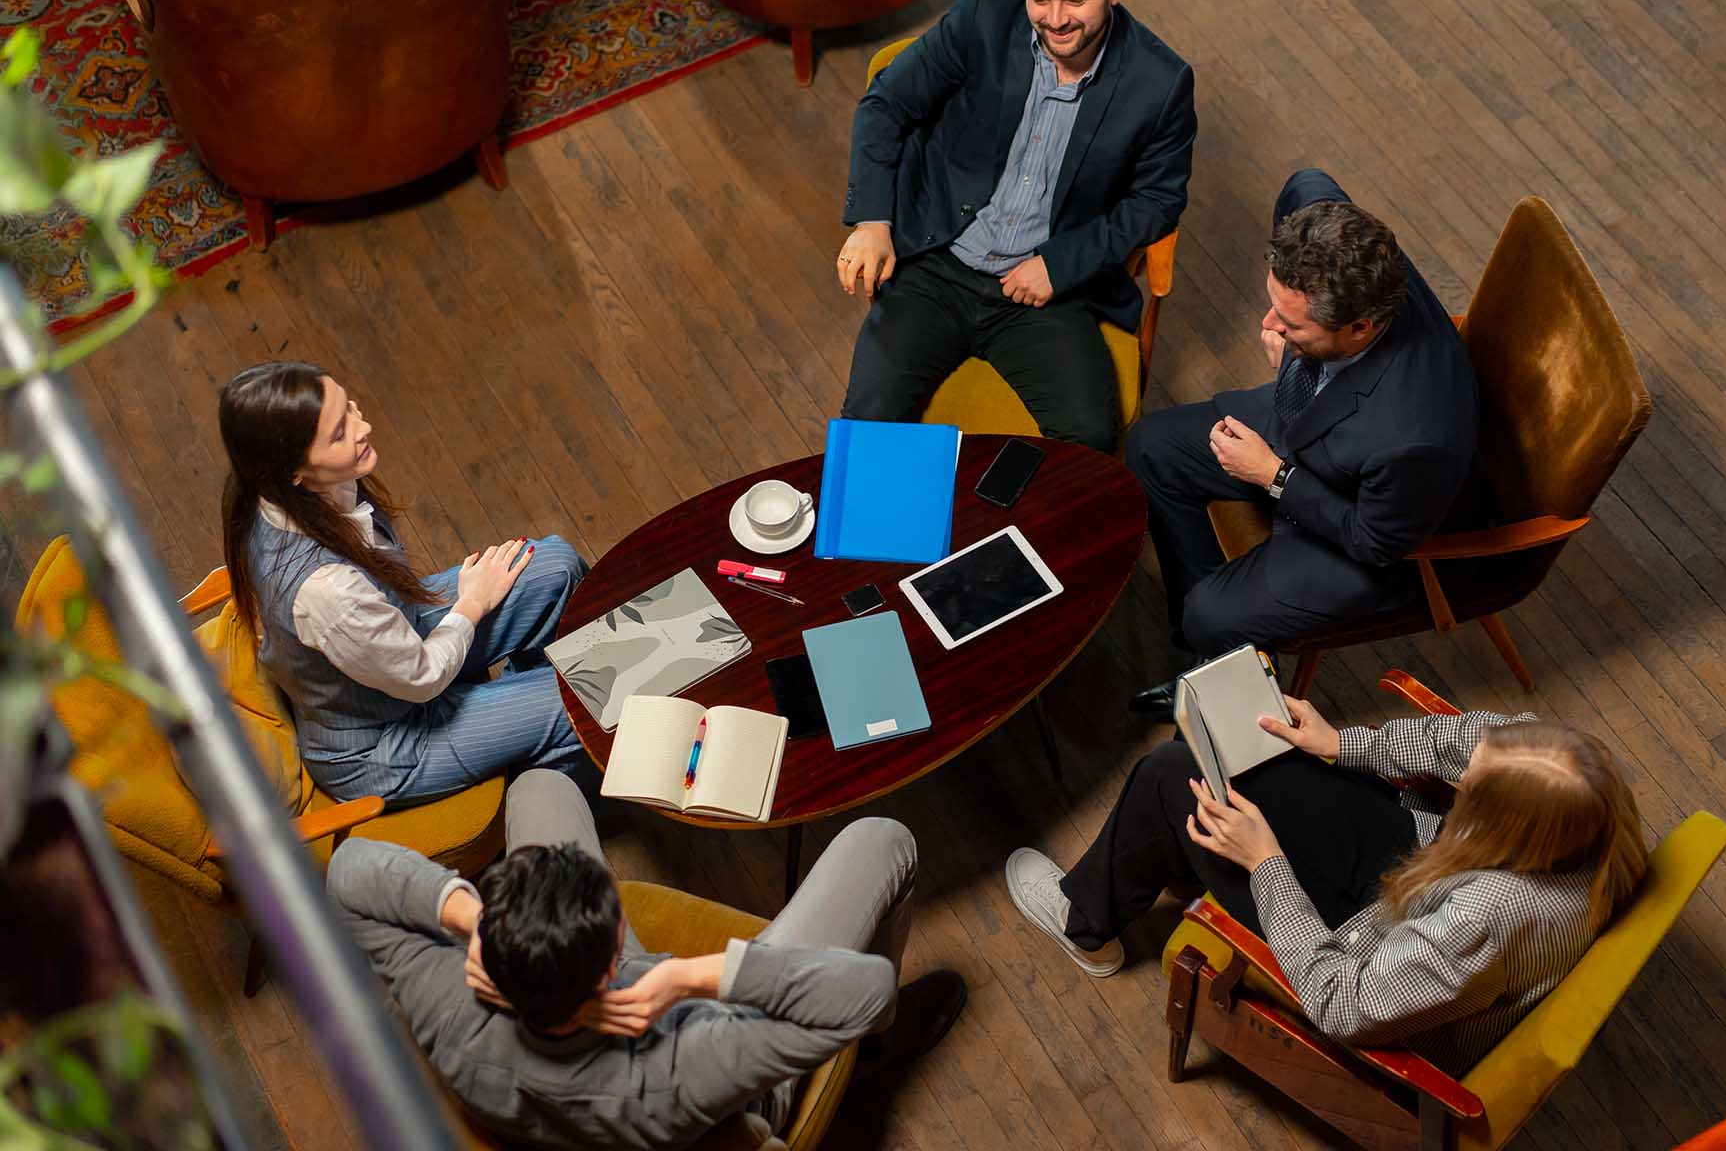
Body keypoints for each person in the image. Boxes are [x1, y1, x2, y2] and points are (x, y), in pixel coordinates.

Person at [328, 770, 966, 1149]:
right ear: (612, 965)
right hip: (721, 1096)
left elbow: (348, 872)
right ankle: (875, 1053)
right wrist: (690, 976)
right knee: (884, 839)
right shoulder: (679, 1068)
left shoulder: (442, 994)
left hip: (526, 1083)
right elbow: (868, 989)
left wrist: (466, 916)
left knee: (538, 786)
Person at [1004, 700, 1647, 1074]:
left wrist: (1266, 863)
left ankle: (1084, 926)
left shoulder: (1489, 913)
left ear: (1501, 829)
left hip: (1360, 948)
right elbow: (1461, 743)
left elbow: (1342, 1003)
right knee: (1225, 742)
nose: (1461, 775)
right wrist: (1340, 744)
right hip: (1421, 871)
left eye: (1469, 789)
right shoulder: (1585, 802)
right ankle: (1174, 853)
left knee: (1174, 772)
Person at [837, 0, 1197, 454]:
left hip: (1045, 289)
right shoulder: (984, 10)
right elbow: (886, 104)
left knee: (1090, 442)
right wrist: (872, 220)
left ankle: (1024, 540)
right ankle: (879, 543)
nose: (1055, 19)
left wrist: (1062, 263)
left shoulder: (1161, 82)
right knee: (868, 423)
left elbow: (1157, 198)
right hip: (936, 264)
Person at [1124, 169, 1482, 714]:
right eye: (1274, 305)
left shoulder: (1415, 435)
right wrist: (1296, 351)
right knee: (1152, 446)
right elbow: (1306, 182)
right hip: (1312, 417)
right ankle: (1222, 651)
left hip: (1350, 519)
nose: (1268, 325)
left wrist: (1273, 476)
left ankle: (1216, 638)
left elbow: (1374, 543)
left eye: (1291, 324)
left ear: (1360, 327)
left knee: (1207, 614)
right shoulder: (1336, 239)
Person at [219, 360, 588, 806]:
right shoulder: (327, 591)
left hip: (394, 643)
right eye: (339, 433)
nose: (363, 426)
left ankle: (517, 708)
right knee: (581, 699)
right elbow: (422, 675)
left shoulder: (282, 492)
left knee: (553, 566)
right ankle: (541, 785)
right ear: (292, 472)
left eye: (350, 408)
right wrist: (471, 604)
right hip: (386, 744)